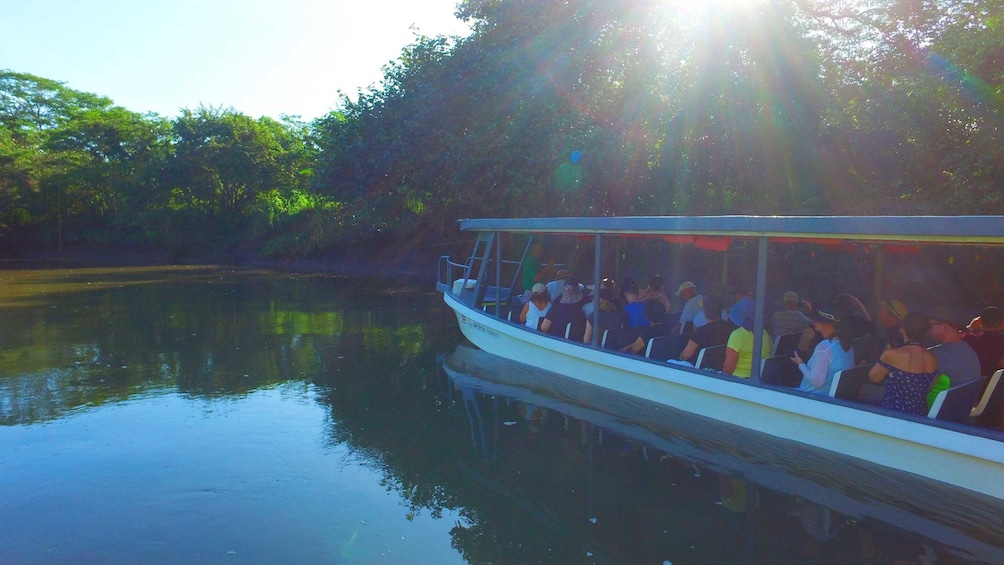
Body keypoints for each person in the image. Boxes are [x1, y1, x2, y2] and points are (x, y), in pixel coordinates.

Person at [867, 312, 938, 416]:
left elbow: (874, 378)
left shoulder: (891, 354)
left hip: (892, 413)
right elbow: (928, 389)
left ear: (902, 330)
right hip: (920, 415)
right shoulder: (933, 358)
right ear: (926, 333)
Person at [926, 308, 982, 416]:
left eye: (929, 326)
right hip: (957, 414)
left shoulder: (939, 355)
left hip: (934, 416)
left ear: (945, 327)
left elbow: (921, 390)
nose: (927, 330)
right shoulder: (967, 351)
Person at [791, 305, 854, 395]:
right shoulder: (847, 344)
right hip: (829, 398)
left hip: (810, 398)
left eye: (817, 320)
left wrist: (800, 363)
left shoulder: (824, 347)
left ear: (828, 324)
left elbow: (817, 382)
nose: (814, 321)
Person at [961, 306, 1004, 427]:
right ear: (1001, 324)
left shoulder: (970, 339)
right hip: (998, 395)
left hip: (973, 391)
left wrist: (970, 327)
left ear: (979, 322)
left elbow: (958, 336)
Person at [679, 292, 736, 364]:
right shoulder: (730, 327)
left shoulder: (701, 332)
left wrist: (679, 357)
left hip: (701, 368)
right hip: (721, 363)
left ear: (704, 311)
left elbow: (686, 355)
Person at [724, 298, 773, 378]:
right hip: (760, 379)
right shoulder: (764, 332)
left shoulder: (737, 335)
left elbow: (728, 369)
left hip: (740, 381)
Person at [540, 277, 593, 343]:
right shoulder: (580, 311)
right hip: (575, 343)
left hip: (556, 341)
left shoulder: (555, 307)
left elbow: (544, 327)